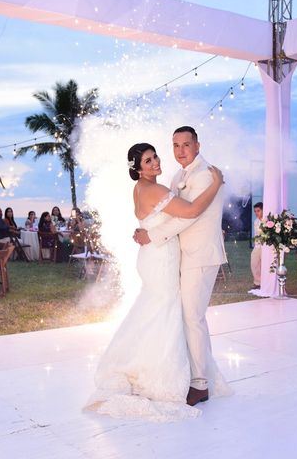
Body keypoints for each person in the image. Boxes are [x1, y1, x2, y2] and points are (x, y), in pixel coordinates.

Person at [85, 142, 225, 422]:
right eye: (147, 161)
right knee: (164, 312)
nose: (155, 162)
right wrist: (217, 183)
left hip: (154, 255)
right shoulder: (156, 189)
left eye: (155, 157)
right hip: (160, 258)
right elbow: (193, 210)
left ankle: (153, 367)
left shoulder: (140, 188)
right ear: (137, 169)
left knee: (157, 311)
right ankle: (161, 374)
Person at [133, 126, 231, 407]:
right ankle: (191, 373)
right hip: (178, 255)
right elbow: (168, 212)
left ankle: (200, 384)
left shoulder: (205, 175)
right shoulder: (177, 175)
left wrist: (151, 234)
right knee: (183, 316)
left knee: (192, 317)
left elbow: (190, 216)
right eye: (175, 145)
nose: (180, 151)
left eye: (186, 145)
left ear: (197, 146)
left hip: (200, 254)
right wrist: (146, 228)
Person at [250, 202, 264, 290]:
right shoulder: (256, 221)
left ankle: (264, 283)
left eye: (258, 211)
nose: (256, 213)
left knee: (264, 265)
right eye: (255, 211)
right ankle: (257, 282)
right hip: (257, 246)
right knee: (254, 263)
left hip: (265, 247)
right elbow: (256, 234)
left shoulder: (267, 220)